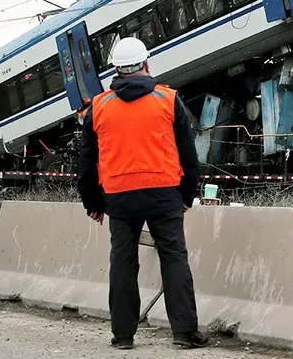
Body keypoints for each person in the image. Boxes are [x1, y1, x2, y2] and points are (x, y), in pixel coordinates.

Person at [77, 37, 209, 350]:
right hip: (164, 194)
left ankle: (123, 336)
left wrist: (93, 203)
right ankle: (184, 333)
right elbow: (188, 153)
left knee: (122, 262)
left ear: (116, 70)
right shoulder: (168, 99)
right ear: (146, 64)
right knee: (174, 258)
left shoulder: (99, 107)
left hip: (120, 197)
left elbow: (86, 161)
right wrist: (187, 195)